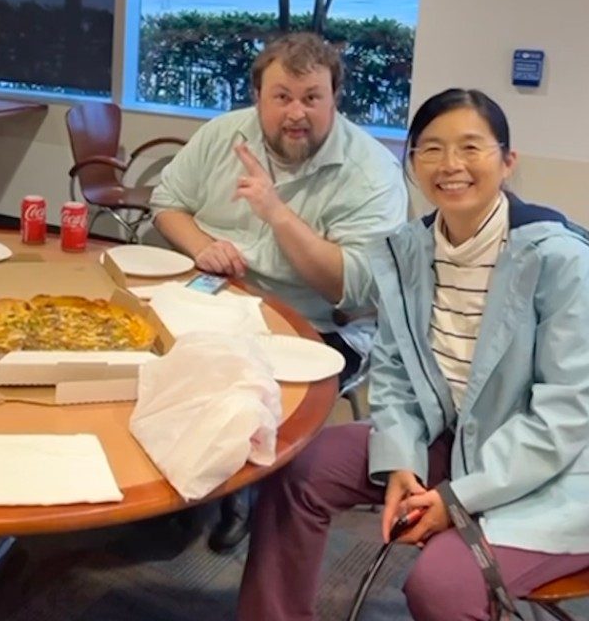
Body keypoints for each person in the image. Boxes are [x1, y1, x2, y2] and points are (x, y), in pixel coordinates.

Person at [237, 88, 589, 620]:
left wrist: (456, 497)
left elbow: (564, 417)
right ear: (412, 161)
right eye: (431, 149)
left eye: (471, 148)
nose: (451, 166)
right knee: (298, 468)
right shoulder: (407, 251)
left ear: (507, 160)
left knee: (442, 585)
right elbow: (397, 374)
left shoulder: (560, 259)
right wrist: (400, 459)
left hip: (550, 469)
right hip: (445, 440)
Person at [150, 32, 408, 550]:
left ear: (335, 98)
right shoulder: (224, 134)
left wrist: (276, 213)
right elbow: (166, 201)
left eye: (312, 97)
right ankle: (164, 483)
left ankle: (232, 494)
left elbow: (352, 286)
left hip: (319, 322)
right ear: (258, 97)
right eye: (282, 97)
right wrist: (201, 244)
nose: (297, 113)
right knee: (147, 348)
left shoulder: (371, 171)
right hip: (218, 294)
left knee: (236, 379)